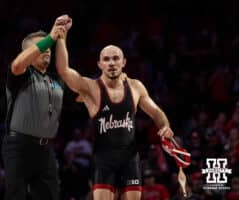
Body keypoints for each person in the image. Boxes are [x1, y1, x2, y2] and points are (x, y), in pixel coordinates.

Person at [55, 15, 174, 200]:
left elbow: (156, 112)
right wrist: (61, 38)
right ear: (100, 64)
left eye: (116, 58)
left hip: (130, 160)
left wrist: (164, 126)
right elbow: (63, 70)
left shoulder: (135, 87)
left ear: (124, 62)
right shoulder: (91, 88)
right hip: (104, 161)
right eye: (107, 59)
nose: (111, 63)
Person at [2, 16, 67, 200]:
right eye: (42, 46)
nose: (47, 49)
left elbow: (66, 70)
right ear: (28, 52)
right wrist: (50, 37)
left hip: (46, 150)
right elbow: (16, 64)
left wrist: (61, 37)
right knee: (16, 196)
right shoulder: (22, 74)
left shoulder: (56, 79)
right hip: (19, 146)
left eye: (49, 47)